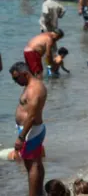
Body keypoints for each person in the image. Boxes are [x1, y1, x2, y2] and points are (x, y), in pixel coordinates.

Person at [10, 62, 47, 196]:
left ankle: (33, 194)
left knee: (32, 165)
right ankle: (39, 192)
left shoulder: (33, 89)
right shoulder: (30, 85)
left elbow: (31, 116)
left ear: (25, 74)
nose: (15, 81)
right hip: (31, 130)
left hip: (31, 131)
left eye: (16, 78)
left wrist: (21, 137)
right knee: (35, 163)